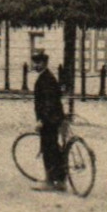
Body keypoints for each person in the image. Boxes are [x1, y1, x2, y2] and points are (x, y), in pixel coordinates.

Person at [31, 50, 67, 192]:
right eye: (35, 62)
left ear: (45, 63)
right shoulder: (47, 77)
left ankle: (50, 181)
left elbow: (49, 103)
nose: (36, 65)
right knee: (54, 149)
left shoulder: (45, 79)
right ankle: (60, 180)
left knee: (48, 149)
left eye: (38, 62)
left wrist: (42, 120)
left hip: (50, 119)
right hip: (54, 118)